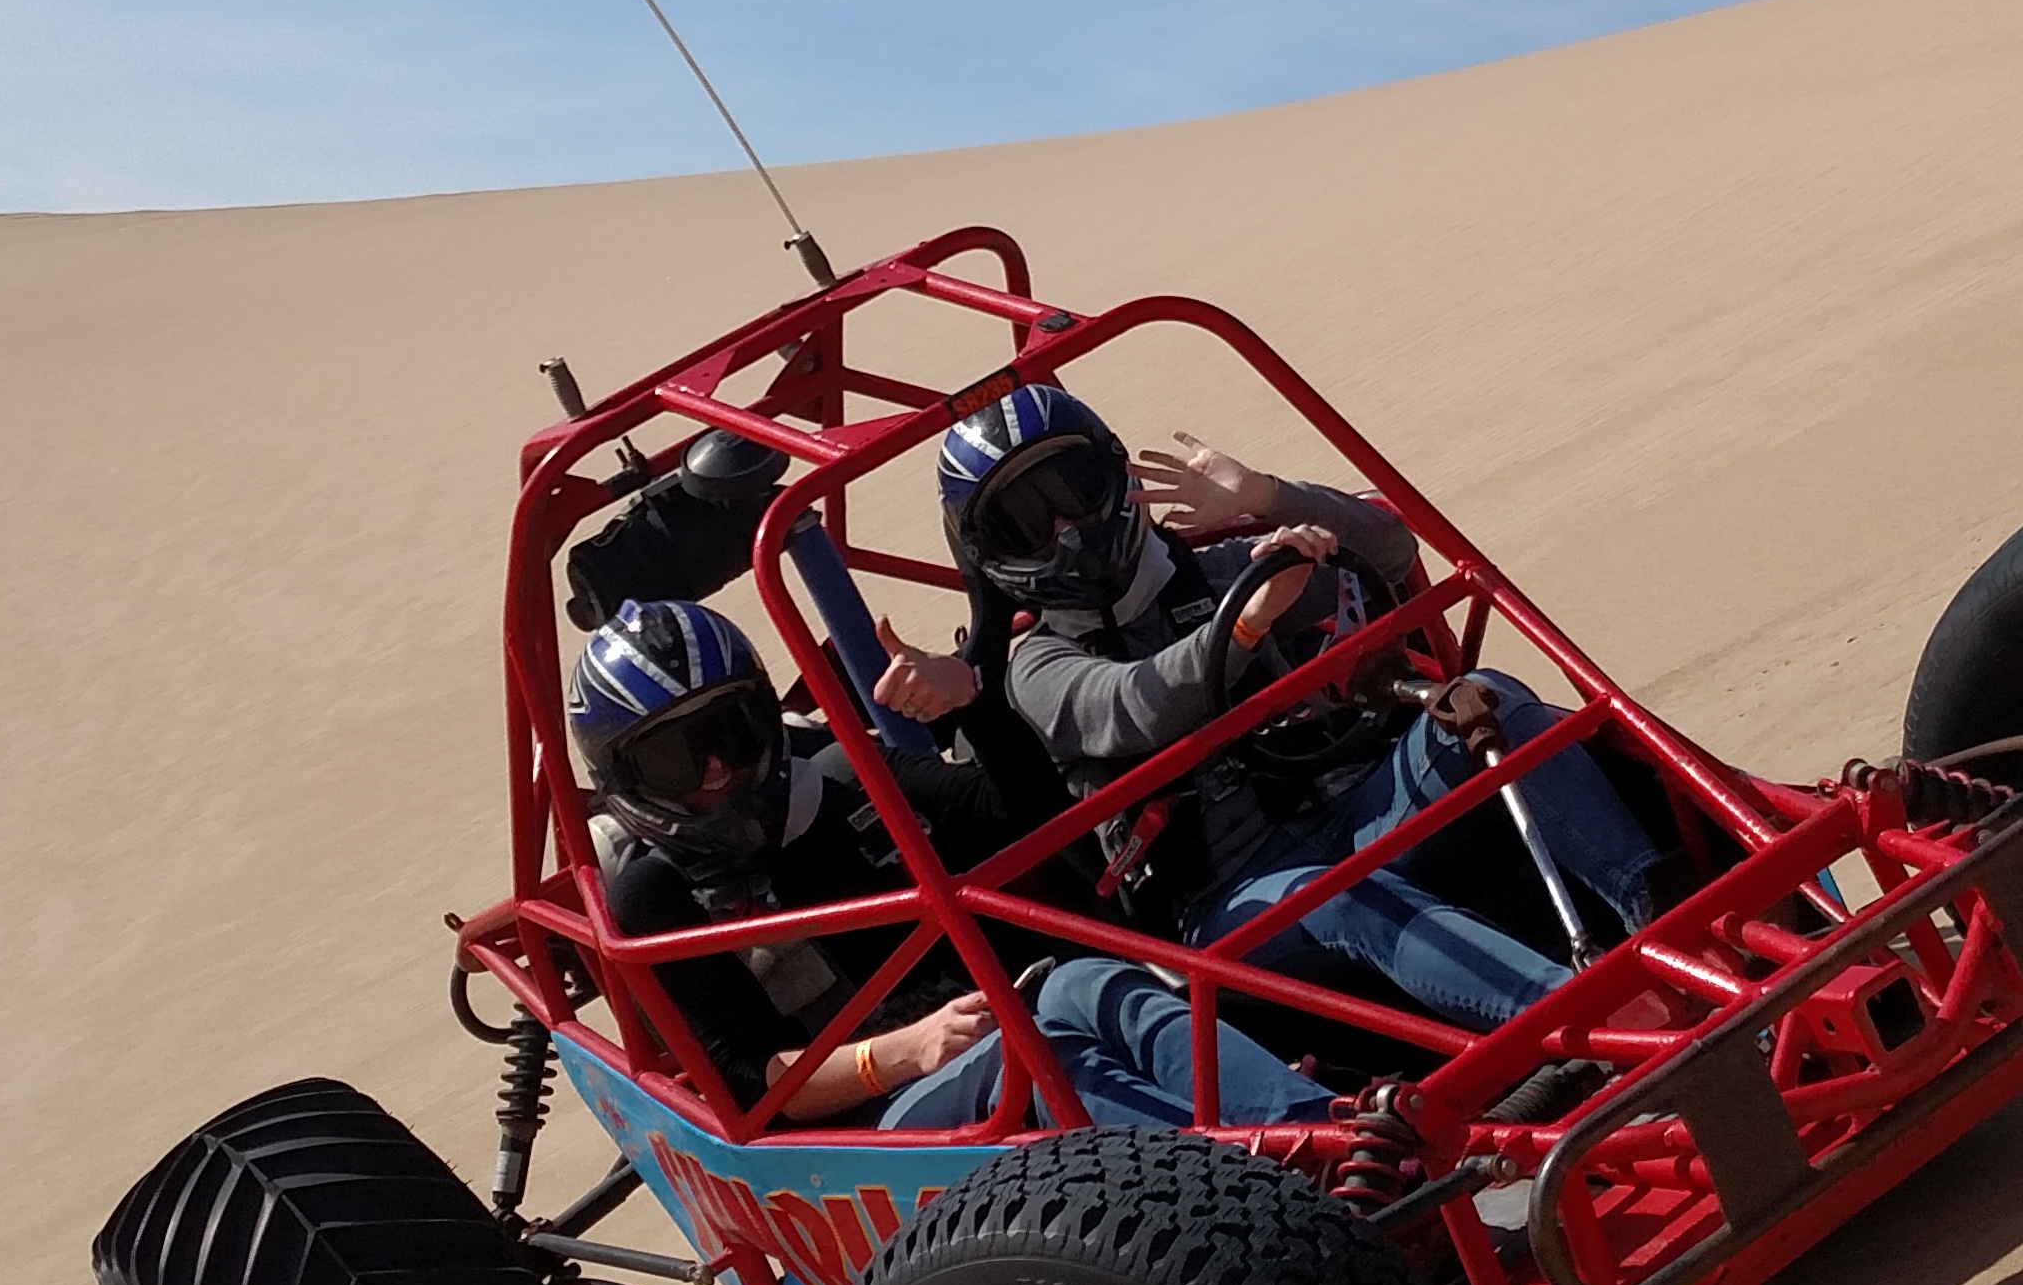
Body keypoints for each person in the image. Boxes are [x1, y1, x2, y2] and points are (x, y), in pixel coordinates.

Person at [936, 384, 1671, 1034]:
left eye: (1072, 489)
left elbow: (1387, 550)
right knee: (1337, 893)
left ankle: (1668, 916)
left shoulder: (1222, 568)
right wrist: (1248, 625)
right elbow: (1137, 706)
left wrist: (1270, 500)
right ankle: (1584, 1023)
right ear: (988, 552)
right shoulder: (1036, 666)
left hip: (1359, 812)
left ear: (1116, 477)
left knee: (1489, 699)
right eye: (1028, 521)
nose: (1067, 529)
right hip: (1232, 903)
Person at [567, 599, 1325, 1136]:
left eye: (729, 733)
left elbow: (1029, 817)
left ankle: (1310, 1133)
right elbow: (746, 1085)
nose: (715, 772)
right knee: (1042, 1050)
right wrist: (905, 1050)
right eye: (675, 759)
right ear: (628, 777)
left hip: (1003, 1024)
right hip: (864, 1125)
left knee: (1098, 982)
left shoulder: (842, 780)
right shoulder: (655, 898)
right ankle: (1260, 1185)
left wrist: (969, 704)